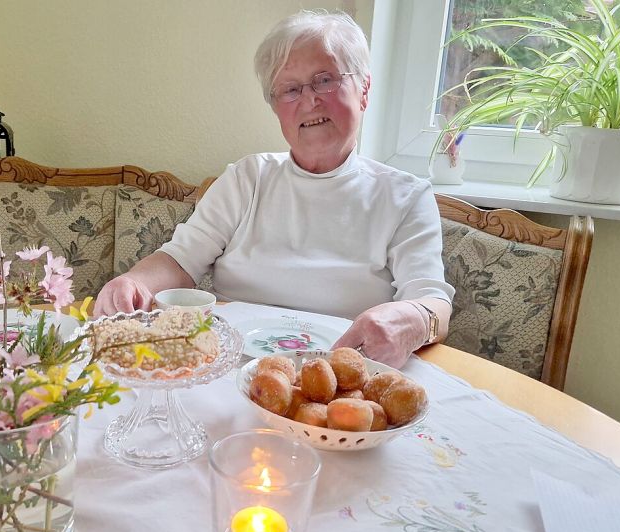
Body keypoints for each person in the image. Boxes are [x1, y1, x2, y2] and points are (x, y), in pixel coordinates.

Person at [94, 11, 454, 369]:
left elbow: (431, 301)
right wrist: (132, 282)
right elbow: (180, 259)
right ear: (275, 107)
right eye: (291, 89)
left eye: (325, 79)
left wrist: (415, 320)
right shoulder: (246, 178)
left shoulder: (405, 196)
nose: (309, 100)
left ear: (364, 89)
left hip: (341, 380)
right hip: (226, 369)